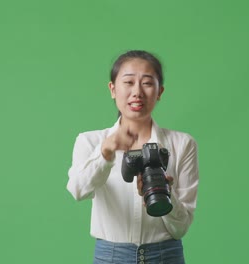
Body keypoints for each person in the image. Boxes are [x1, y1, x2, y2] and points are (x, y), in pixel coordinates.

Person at [67, 50, 199, 264]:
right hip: (111, 257)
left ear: (159, 91)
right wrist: (105, 153)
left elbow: (181, 227)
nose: (137, 92)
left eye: (147, 83)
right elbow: (78, 190)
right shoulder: (90, 141)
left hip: (166, 256)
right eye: (128, 82)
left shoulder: (182, 144)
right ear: (112, 89)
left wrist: (164, 194)